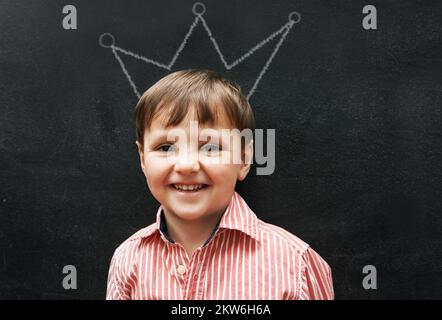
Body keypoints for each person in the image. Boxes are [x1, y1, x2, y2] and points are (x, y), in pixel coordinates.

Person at [106, 69, 334, 300]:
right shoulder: (127, 260)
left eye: (211, 148)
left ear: (244, 160)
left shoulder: (295, 264)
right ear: (143, 159)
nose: (186, 165)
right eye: (165, 148)